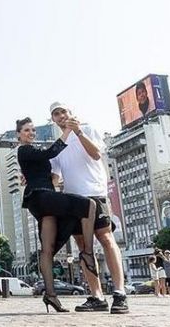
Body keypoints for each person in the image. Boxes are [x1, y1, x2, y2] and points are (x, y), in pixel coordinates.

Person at [47, 102, 128, 314]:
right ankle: (96, 295)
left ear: (71, 113)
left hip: (95, 193)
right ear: (53, 120)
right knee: (84, 246)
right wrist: (35, 179)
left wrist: (78, 132)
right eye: (56, 114)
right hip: (73, 199)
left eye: (63, 111)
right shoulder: (58, 146)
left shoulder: (88, 129)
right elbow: (55, 178)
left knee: (106, 238)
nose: (61, 116)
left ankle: (119, 293)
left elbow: (96, 154)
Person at [16, 117, 99, 314]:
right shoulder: (24, 149)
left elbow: (49, 170)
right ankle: (87, 253)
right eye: (26, 130)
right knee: (89, 205)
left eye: (32, 130)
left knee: (47, 248)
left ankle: (51, 295)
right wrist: (68, 132)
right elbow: (49, 152)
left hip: (44, 199)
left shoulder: (31, 152)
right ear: (19, 134)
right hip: (41, 196)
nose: (31, 133)